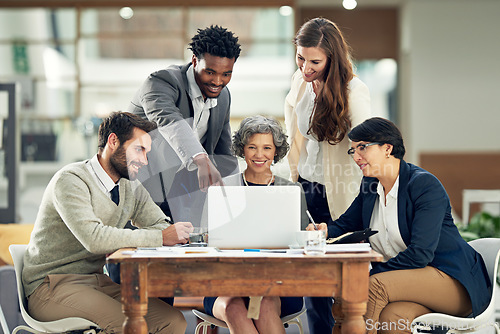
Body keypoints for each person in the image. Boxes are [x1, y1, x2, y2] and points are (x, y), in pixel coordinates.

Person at [310, 117, 491, 334]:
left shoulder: (424, 185)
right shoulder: (370, 185)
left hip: (452, 281)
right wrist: (324, 230)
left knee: (371, 287)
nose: (356, 156)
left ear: (387, 148)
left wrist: (373, 273)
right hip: (411, 281)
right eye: (353, 150)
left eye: (362, 148)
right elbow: (347, 223)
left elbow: (420, 254)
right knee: (392, 317)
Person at [23, 112, 193, 334]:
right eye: (139, 149)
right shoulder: (71, 180)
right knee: (130, 326)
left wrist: (167, 233)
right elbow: (94, 238)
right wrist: (161, 237)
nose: (144, 160)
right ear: (113, 141)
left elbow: (160, 223)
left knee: (173, 321)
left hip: (96, 281)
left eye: (147, 153)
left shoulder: (129, 186)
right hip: (50, 286)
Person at [284, 17, 371, 333]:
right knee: (314, 282)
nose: (305, 67)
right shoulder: (300, 80)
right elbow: (293, 133)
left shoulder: (354, 90)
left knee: (342, 283)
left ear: (332, 59)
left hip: (340, 192)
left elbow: (369, 144)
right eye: (300, 57)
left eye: (314, 61)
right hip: (306, 187)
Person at [128, 24, 241, 226]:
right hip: (140, 188)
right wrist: (200, 159)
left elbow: (224, 150)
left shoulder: (223, 97)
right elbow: (168, 119)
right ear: (195, 61)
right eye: (210, 72)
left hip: (181, 193)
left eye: (226, 74)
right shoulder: (161, 82)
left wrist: (236, 194)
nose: (218, 81)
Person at [203, 115, 304, 333]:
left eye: (267, 147)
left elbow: (301, 244)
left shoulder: (291, 191)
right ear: (242, 149)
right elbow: (206, 240)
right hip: (226, 284)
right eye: (252, 147)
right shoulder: (222, 189)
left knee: (265, 306)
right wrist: (210, 238)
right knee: (234, 308)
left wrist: (308, 235)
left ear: (276, 151)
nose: (259, 155)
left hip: (278, 284)